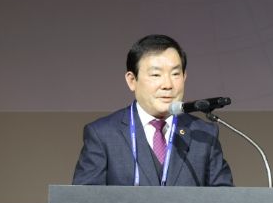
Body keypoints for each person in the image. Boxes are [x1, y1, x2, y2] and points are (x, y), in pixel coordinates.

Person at [72, 34, 233, 186]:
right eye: (156, 75)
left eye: (175, 74)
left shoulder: (204, 135)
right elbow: (84, 201)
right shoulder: (103, 135)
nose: (167, 85)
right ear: (132, 80)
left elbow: (226, 200)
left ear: (184, 77)